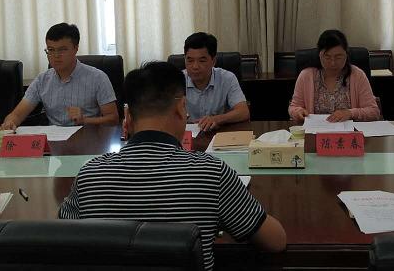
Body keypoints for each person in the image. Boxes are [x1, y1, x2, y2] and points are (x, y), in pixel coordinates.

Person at [59, 62, 286, 270]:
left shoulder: (90, 174)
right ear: (181, 108)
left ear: (127, 116)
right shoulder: (211, 173)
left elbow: (63, 237)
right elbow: (276, 241)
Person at [0, 23, 118, 130]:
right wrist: (9, 123)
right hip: (53, 142)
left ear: (76, 48)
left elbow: (113, 119)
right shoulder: (41, 80)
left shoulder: (98, 78)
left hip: (88, 140)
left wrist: (85, 120)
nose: (56, 55)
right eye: (51, 50)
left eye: (62, 50)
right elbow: (17, 115)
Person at [288, 29, 380, 123]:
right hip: (316, 129)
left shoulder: (357, 75)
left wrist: (350, 113)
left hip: (349, 131)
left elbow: (374, 112)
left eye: (338, 57)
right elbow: (294, 107)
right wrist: (298, 112)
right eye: (327, 57)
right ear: (320, 55)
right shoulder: (306, 76)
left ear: (346, 55)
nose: (333, 63)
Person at [183, 32, 249, 131]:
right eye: (190, 60)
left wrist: (217, 119)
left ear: (213, 61)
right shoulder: (177, 81)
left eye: (202, 61)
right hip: (187, 137)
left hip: (219, 135)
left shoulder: (227, 78)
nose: (195, 66)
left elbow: (243, 112)